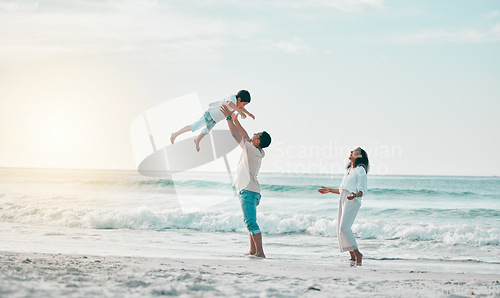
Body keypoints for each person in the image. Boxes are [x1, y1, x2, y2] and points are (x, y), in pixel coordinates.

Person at [220, 104, 271, 258]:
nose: (255, 133)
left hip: (248, 191)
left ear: (257, 141)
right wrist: (236, 121)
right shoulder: (257, 150)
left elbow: (237, 136)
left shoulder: (251, 149)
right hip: (253, 191)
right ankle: (253, 251)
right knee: (250, 221)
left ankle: (260, 252)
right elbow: (246, 136)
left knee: (250, 222)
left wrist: (229, 118)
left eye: (257, 134)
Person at [318, 147, 369, 266]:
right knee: (340, 228)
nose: (351, 151)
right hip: (344, 198)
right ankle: (351, 255)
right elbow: (342, 190)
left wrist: (355, 195)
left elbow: (362, 189)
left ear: (360, 156)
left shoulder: (360, 169)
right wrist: (329, 190)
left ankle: (358, 254)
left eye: (355, 151)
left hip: (352, 200)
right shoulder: (349, 170)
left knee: (344, 228)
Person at [170, 90, 255, 151]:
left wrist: (248, 114)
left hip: (214, 120)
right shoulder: (232, 98)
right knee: (195, 126)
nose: (243, 106)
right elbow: (230, 104)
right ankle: (175, 134)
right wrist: (239, 111)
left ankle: (197, 141)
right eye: (243, 104)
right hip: (209, 115)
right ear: (239, 99)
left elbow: (241, 108)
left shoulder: (238, 104)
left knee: (205, 131)